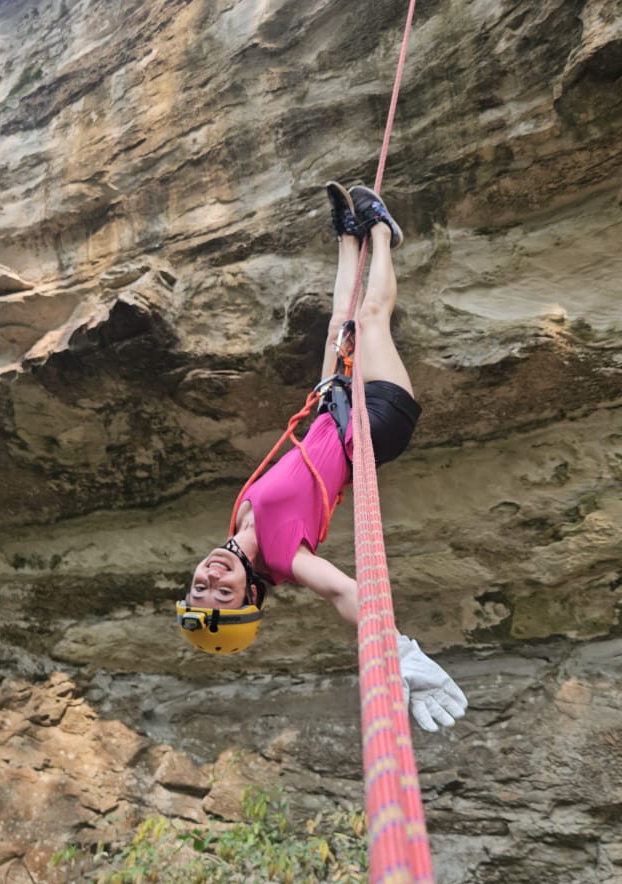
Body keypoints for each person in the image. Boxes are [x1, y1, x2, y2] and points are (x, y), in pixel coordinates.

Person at [176, 183, 467, 733]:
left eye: (199, 587)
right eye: (222, 593)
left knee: (339, 322)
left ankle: (348, 239)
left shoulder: (239, 526)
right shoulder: (285, 560)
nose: (211, 578)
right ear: (251, 594)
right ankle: (382, 231)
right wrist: (392, 651)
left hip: (331, 416)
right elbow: (347, 591)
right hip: (373, 423)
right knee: (369, 319)